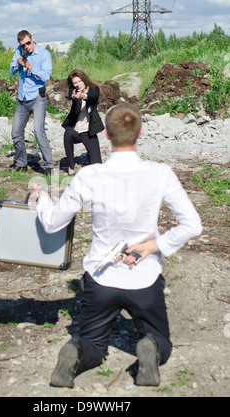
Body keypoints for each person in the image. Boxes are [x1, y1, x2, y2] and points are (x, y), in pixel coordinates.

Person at [29, 104, 202, 388]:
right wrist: (155, 245)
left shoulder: (90, 176)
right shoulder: (160, 173)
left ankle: (78, 351)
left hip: (101, 280)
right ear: (140, 134)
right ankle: (151, 347)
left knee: (94, 345)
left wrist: (43, 197)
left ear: (106, 135)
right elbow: (193, 225)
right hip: (144, 279)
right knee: (160, 339)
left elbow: (51, 223)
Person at [9, 30, 54, 175]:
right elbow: (11, 71)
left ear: (32, 39)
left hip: (37, 98)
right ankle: (21, 163)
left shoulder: (44, 54)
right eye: (23, 45)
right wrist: (18, 63)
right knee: (16, 132)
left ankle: (49, 166)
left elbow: (46, 76)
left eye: (28, 43)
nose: (26, 47)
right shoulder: (19, 51)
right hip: (23, 98)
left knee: (38, 131)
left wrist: (30, 66)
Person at [62, 69, 104, 175]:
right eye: (75, 82)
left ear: (84, 80)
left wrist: (82, 96)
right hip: (75, 130)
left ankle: (90, 157)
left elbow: (93, 95)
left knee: (97, 165)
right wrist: (75, 96)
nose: (78, 84)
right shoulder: (73, 91)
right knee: (68, 133)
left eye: (79, 81)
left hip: (88, 131)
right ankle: (71, 166)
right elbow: (71, 95)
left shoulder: (93, 89)